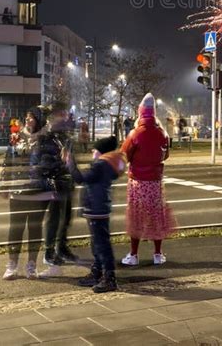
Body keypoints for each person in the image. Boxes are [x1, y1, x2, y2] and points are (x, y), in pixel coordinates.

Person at [121, 93, 176, 266]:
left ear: (140, 112)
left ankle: (133, 255)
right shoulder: (162, 133)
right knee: (156, 216)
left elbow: (125, 155)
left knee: (136, 216)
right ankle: (158, 254)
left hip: (137, 181)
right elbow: (165, 155)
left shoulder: (135, 133)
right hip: (155, 181)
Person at [0, 107, 54, 279]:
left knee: (34, 229)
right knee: (15, 229)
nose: (28, 120)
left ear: (39, 121)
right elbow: (8, 162)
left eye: (32, 118)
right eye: (27, 117)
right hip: (18, 190)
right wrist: (4, 185)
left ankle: (31, 265)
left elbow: (53, 164)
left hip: (38, 192)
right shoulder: (17, 138)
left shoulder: (47, 140)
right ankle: (12, 265)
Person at [67, 135, 126, 293]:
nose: (92, 152)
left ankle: (109, 278)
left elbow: (80, 178)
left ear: (101, 152)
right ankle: (98, 272)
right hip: (99, 208)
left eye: (94, 150)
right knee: (97, 243)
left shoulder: (101, 165)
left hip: (96, 209)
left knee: (101, 245)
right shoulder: (106, 164)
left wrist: (70, 162)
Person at [42, 102, 79, 272]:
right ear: (54, 115)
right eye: (61, 114)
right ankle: (49, 252)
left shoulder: (64, 135)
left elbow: (71, 158)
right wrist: (59, 160)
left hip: (67, 181)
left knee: (67, 217)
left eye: (65, 114)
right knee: (55, 218)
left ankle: (62, 247)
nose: (65, 117)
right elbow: (43, 161)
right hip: (54, 182)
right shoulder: (46, 136)